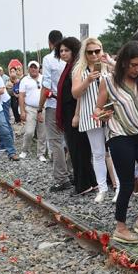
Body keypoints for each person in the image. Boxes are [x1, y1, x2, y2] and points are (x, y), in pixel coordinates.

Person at [94, 41, 138, 244]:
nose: (137, 69)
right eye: (133, 64)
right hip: (120, 136)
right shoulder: (108, 81)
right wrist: (102, 114)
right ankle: (120, 227)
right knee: (126, 183)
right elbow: (98, 108)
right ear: (123, 62)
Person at [74, 38, 118, 203]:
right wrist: (88, 80)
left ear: (102, 50)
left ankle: (119, 187)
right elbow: (75, 93)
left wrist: (111, 62)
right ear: (84, 53)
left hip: (110, 113)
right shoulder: (80, 70)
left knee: (115, 152)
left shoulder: (108, 66)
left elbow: (125, 75)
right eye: (90, 51)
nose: (94, 55)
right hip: (90, 114)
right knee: (98, 153)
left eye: (97, 51)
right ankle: (102, 188)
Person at [57, 37, 95, 194]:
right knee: (77, 149)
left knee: (78, 149)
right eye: (61, 51)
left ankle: (83, 184)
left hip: (74, 112)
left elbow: (78, 93)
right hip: (68, 111)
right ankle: (90, 181)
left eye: (66, 50)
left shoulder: (76, 68)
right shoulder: (69, 67)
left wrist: (76, 114)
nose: (63, 53)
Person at [38, 30, 71, 191]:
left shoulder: (48, 59)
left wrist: (39, 107)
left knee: (55, 141)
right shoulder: (70, 58)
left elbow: (46, 86)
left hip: (54, 104)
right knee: (70, 139)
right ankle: (72, 171)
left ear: (50, 43)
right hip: (70, 104)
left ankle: (61, 177)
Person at [19, 61, 46, 161]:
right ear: (28, 69)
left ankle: (41, 153)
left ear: (39, 68)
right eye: (31, 67)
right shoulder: (25, 80)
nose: (34, 69)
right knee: (29, 131)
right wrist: (22, 111)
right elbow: (21, 96)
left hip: (43, 108)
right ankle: (24, 150)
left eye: (35, 67)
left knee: (42, 133)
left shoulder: (43, 78)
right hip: (30, 108)